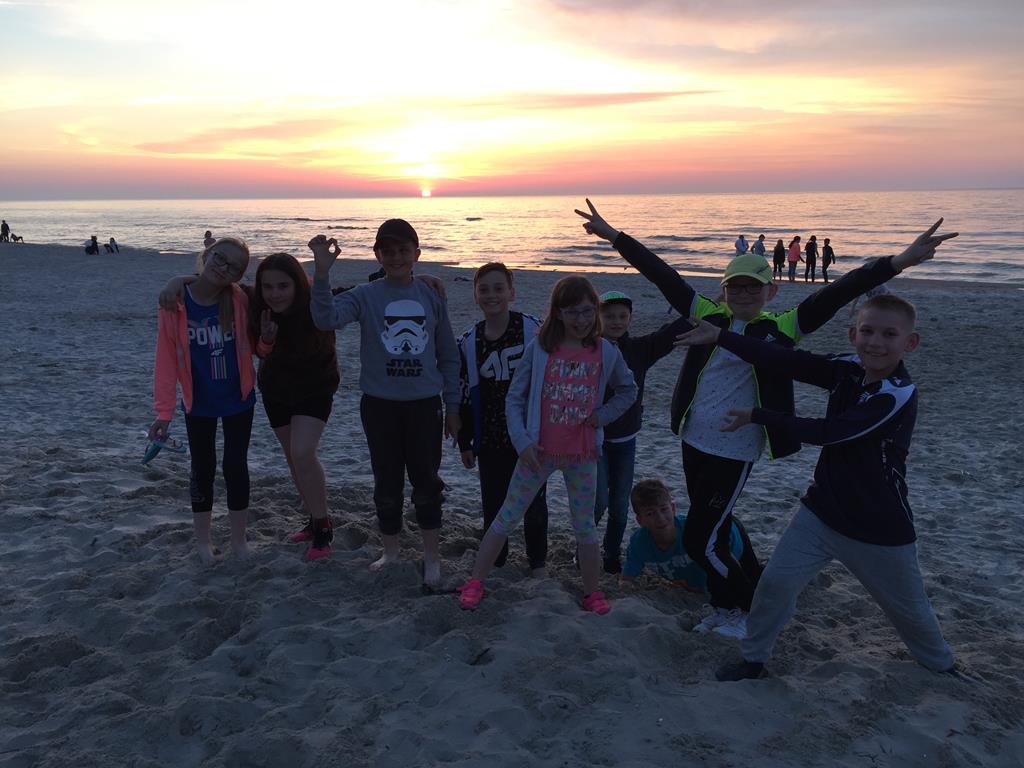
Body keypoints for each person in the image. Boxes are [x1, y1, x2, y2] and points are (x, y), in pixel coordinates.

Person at [576, 198, 957, 639]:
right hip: (693, 439)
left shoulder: (783, 327)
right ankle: (725, 605)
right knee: (714, 532)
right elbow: (662, 275)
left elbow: (838, 292)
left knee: (699, 540)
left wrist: (899, 262)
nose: (743, 295)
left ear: (770, 292)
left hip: (735, 449)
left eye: (753, 288)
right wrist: (613, 236)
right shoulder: (707, 314)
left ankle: (746, 610)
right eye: (734, 287)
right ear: (723, 291)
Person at [672, 283, 958, 680]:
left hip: (879, 527)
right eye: (867, 331)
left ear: (909, 343)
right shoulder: (848, 369)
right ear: (853, 335)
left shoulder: (897, 394)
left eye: (889, 334)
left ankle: (943, 666)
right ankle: (753, 661)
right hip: (820, 513)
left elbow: (830, 433)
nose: (876, 342)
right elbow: (786, 360)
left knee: (910, 610)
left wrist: (760, 415)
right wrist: (721, 336)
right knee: (775, 585)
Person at [457, 275, 638, 614]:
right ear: (557, 313)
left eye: (587, 311)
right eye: (572, 312)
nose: (581, 319)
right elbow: (515, 398)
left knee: (584, 526)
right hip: (537, 454)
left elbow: (628, 390)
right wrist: (523, 442)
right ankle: (475, 581)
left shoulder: (606, 351)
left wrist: (602, 415)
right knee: (506, 516)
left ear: (595, 310)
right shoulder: (540, 348)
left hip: (582, 455)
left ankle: (592, 592)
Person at [309, 219, 460, 587]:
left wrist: (453, 406)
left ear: (416, 254)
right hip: (380, 406)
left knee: (427, 483)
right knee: (386, 482)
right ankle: (390, 551)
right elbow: (325, 318)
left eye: (403, 250)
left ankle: (431, 556)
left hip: (424, 406)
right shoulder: (366, 295)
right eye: (388, 251)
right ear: (377, 255)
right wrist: (322, 273)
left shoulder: (431, 295)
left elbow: (448, 354)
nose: (396, 257)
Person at [149, 237, 259, 564]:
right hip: (198, 402)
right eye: (219, 258)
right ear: (208, 254)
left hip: (239, 399)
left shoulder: (239, 300)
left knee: (235, 466)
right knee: (202, 467)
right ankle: (203, 542)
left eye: (233, 267)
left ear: (239, 276)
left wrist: (267, 340)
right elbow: (166, 359)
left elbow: (259, 342)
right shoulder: (175, 302)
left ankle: (238, 541)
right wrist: (164, 412)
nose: (223, 268)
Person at [457, 263, 549, 576]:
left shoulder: (534, 330)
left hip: (530, 435)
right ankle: (497, 561)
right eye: (483, 289)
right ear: (475, 296)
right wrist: (465, 441)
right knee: (494, 504)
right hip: (491, 437)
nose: (491, 295)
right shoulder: (469, 341)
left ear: (512, 292)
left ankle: (538, 563)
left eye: (499, 288)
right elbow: (466, 393)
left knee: (534, 503)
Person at [592, 290, 690, 573]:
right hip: (593, 440)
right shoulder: (588, 351)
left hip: (626, 441)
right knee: (598, 503)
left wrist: (704, 308)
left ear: (630, 319)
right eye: (609, 316)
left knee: (620, 506)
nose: (616, 321)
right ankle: (583, 551)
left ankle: (611, 555)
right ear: (598, 318)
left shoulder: (639, 349)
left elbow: (670, 333)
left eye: (622, 316)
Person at [622, 479, 759, 613]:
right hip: (700, 573)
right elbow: (626, 580)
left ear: (673, 508)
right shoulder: (639, 544)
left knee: (750, 583)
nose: (660, 518)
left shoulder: (692, 531)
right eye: (650, 513)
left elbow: (723, 561)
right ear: (640, 520)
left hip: (730, 536)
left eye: (664, 509)